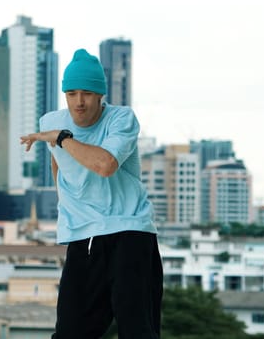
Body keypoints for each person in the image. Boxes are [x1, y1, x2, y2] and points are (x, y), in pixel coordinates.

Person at [20, 48, 163, 339]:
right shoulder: (50, 121)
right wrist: (70, 204)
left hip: (130, 232)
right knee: (70, 332)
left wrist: (62, 138)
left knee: (137, 331)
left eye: (86, 93)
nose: (79, 102)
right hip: (83, 237)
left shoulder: (121, 119)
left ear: (100, 95)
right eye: (71, 93)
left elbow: (105, 164)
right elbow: (57, 162)